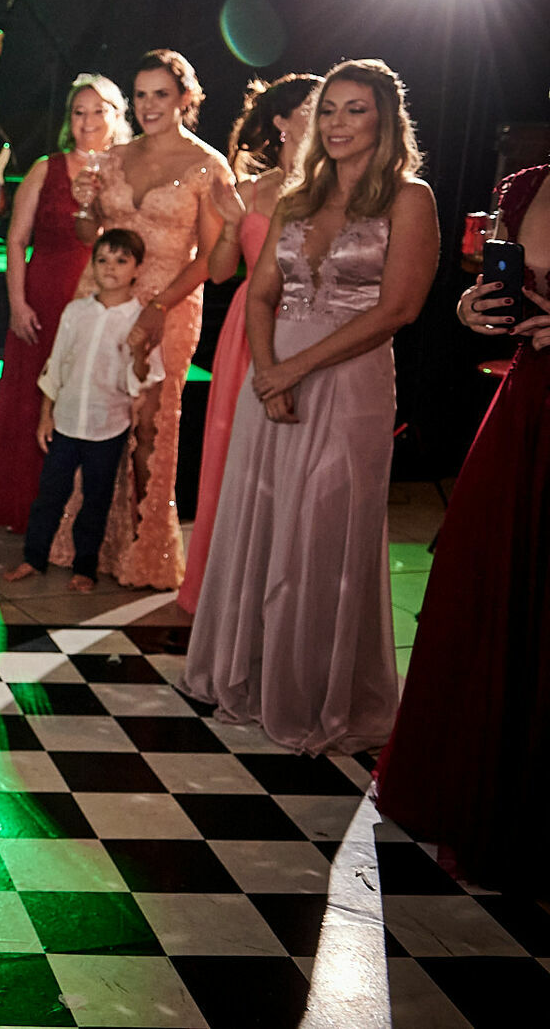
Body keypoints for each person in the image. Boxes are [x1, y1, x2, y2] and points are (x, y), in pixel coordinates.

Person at [180, 60, 439, 754]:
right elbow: (261, 292)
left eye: (355, 110)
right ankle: (252, 676)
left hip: (350, 380)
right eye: (329, 110)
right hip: (276, 377)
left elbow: (399, 308)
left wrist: (293, 367)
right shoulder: (297, 195)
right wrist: (268, 372)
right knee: (263, 519)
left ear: (385, 119)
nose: (338, 124)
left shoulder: (410, 199)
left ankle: (318, 692)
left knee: (326, 530)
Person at [373, 162, 550, 892]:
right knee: (494, 591)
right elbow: (491, 293)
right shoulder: (526, 188)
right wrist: (470, 309)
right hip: (527, 408)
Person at [53, 49, 237, 589]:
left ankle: (145, 547)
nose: (149, 105)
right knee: (99, 416)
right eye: (140, 95)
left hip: (170, 302)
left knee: (151, 427)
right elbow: (93, 239)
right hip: (105, 295)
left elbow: (208, 255)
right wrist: (86, 210)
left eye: (161, 94)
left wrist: (158, 308)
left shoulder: (207, 165)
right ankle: (93, 547)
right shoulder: (115, 157)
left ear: (186, 98)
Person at [175, 74, 321, 613]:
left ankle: (287, 590)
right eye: (314, 107)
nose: (327, 117)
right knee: (241, 458)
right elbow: (217, 273)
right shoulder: (252, 190)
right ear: (281, 122)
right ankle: (227, 587)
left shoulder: (339, 191)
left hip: (313, 327)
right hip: (249, 330)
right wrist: (234, 224)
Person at [0, 74, 133, 532]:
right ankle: (28, 509)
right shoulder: (47, 167)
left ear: (116, 116)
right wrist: (17, 302)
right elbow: (16, 239)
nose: (87, 121)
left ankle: (82, 521)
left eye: (97, 111)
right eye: (78, 112)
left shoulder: (126, 171)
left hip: (102, 299)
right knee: (37, 402)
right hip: (45, 299)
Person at [6, 229, 164, 591]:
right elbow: (56, 364)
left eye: (121, 261)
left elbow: (141, 379)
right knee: (49, 496)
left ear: (137, 269)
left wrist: (139, 351)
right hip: (66, 422)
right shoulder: (76, 312)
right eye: (103, 260)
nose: (111, 268)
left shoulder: (138, 319)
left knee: (96, 499)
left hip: (108, 425)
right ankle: (34, 557)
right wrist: (47, 414)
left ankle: (85, 567)